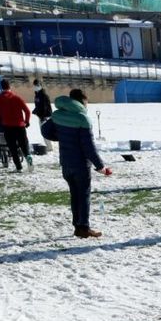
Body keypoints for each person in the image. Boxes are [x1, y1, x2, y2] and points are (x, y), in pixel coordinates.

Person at [51, 88, 111, 238]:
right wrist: (100, 166)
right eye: (86, 102)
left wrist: (63, 136)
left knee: (74, 195)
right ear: (81, 101)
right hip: (80, 164)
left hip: (66, 163)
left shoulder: (58, 115)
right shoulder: (82, 119)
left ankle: (77, 227)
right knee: (83, 196)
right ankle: (83, 227)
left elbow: (46, 131)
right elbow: (88, 147)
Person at [0, 78, 33, 171]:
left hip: (8, 127)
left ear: (1, 87)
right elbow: (27, 111)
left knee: (12, 147)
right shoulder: (17, 97)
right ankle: (29, 160)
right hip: (20, 126)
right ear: (9, 86)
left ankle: (19, 167)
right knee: (24, 145)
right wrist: (26, 121)